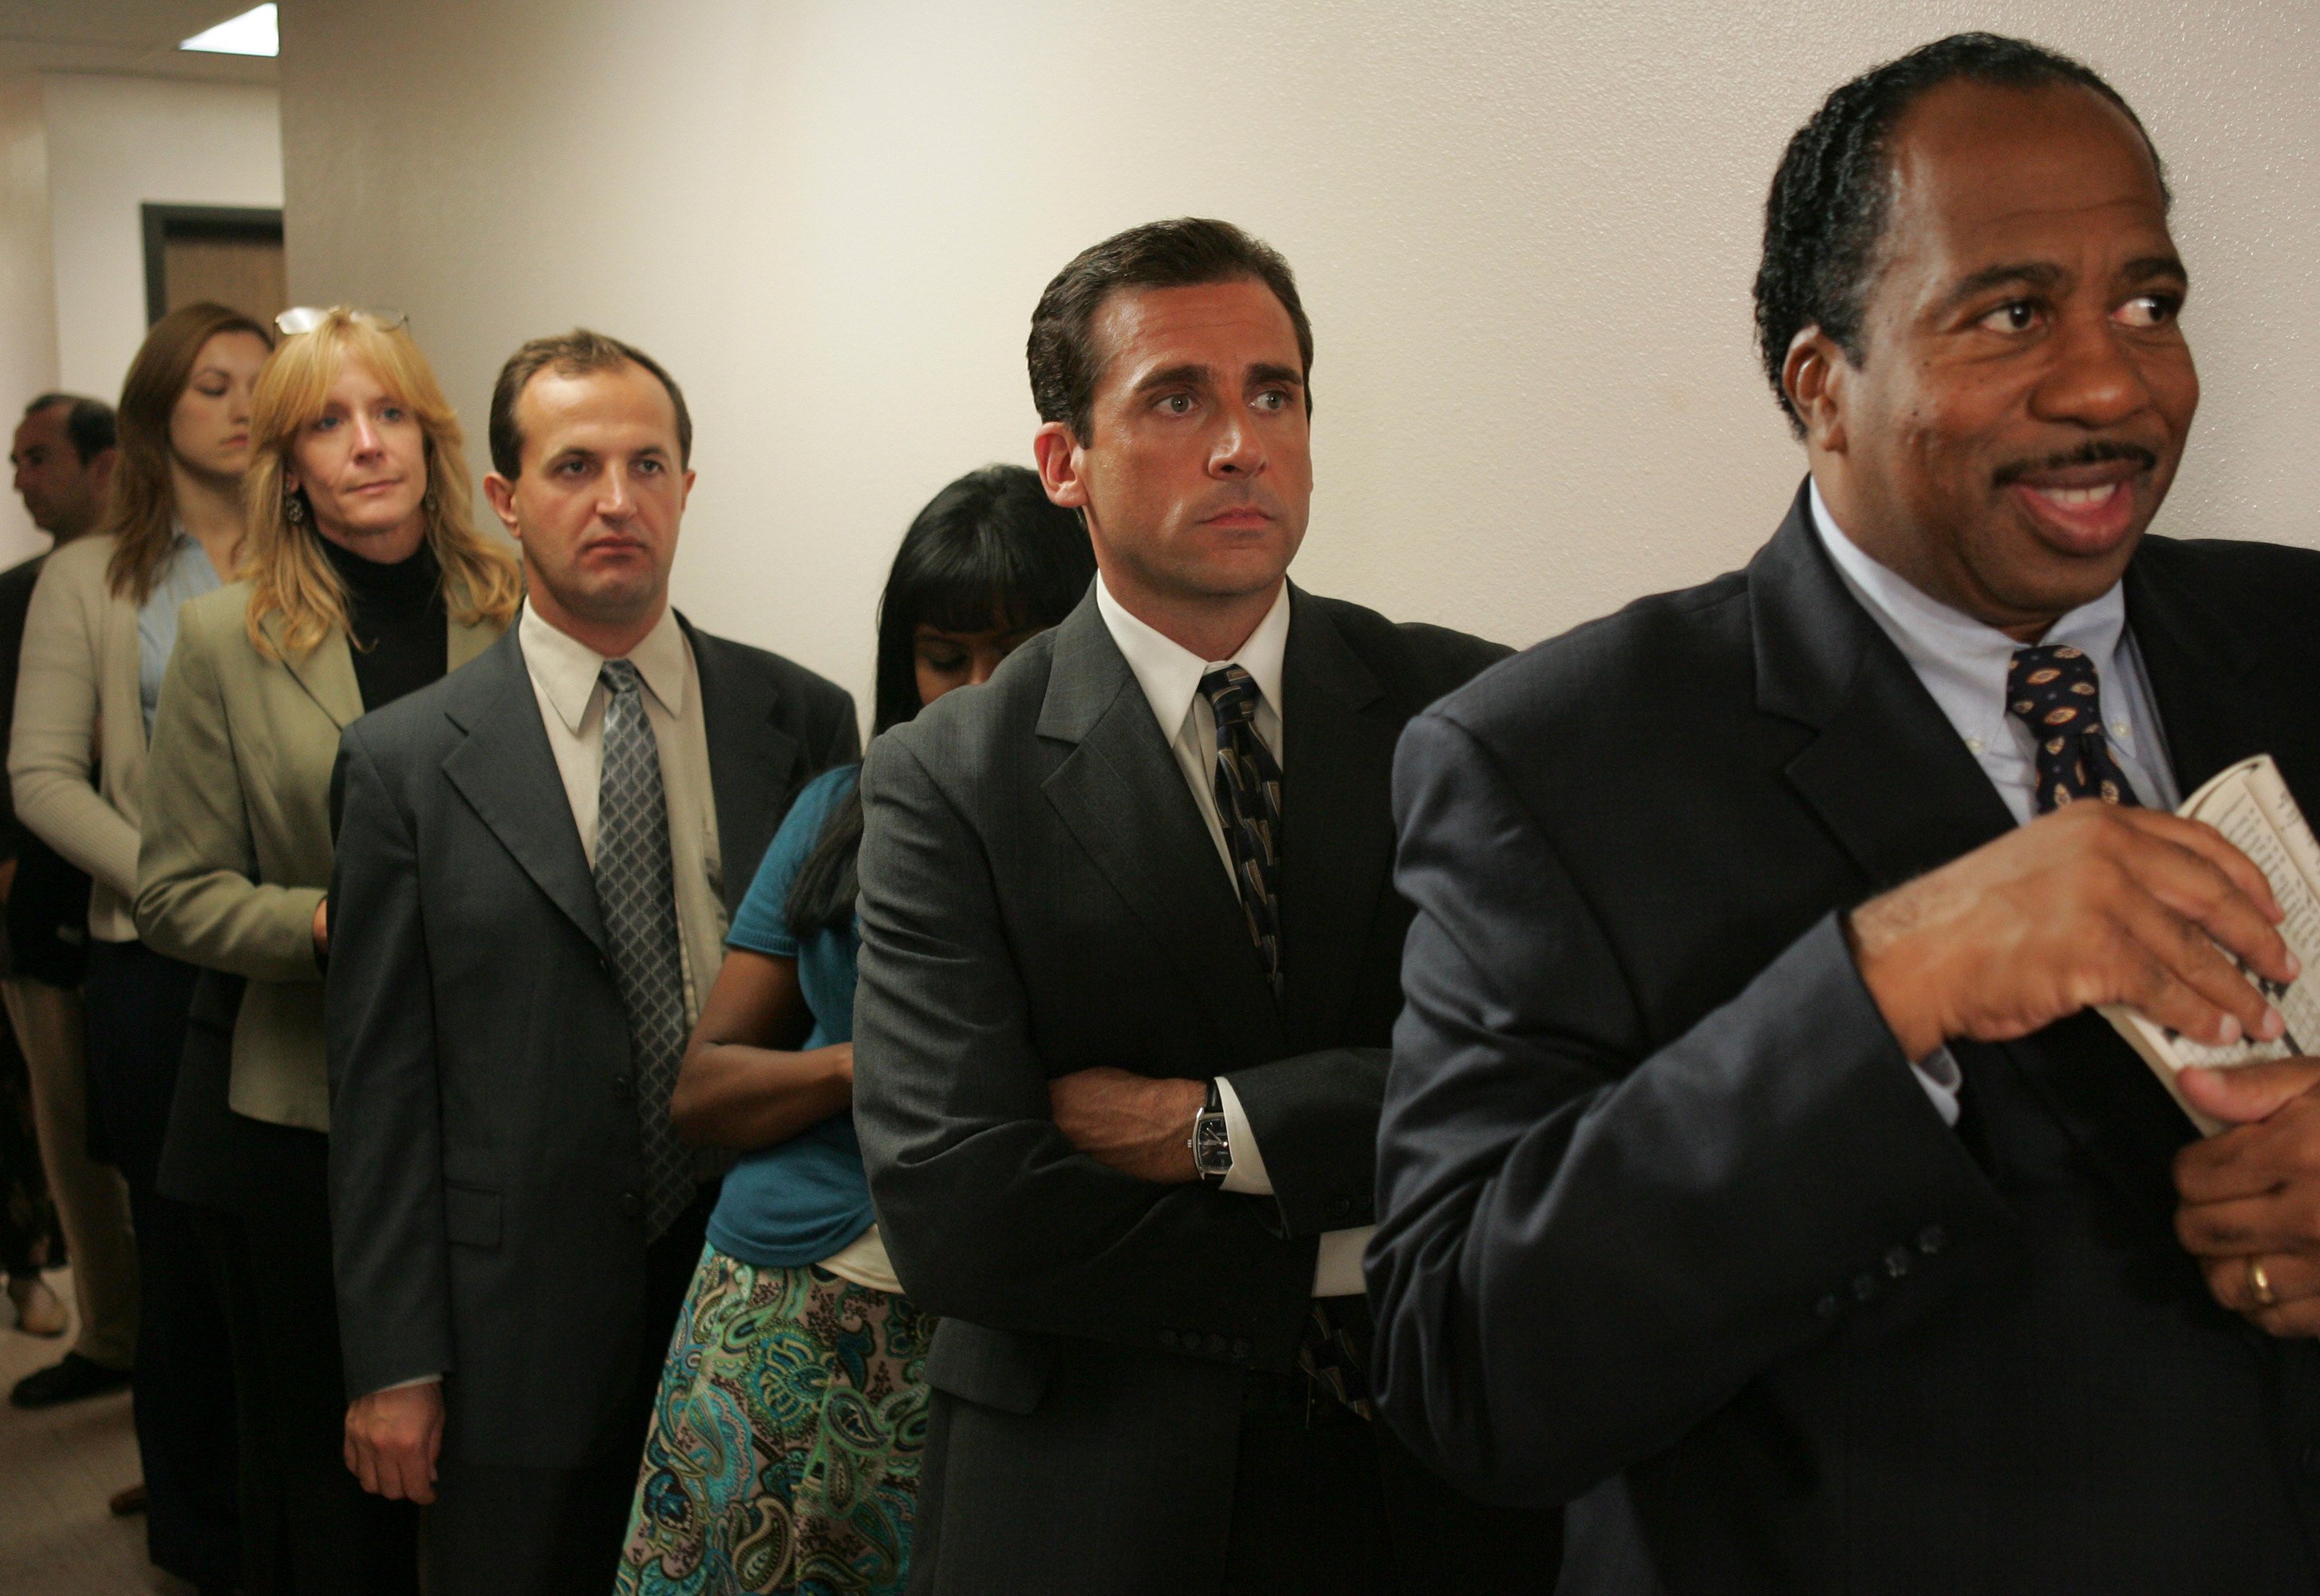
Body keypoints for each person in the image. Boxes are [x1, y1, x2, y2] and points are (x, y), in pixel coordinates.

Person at [1367, 33, 2320, 1596]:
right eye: (2012, 312)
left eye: (2150, 303)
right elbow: (1470, 1374)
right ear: (1820, 384)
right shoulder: (1550, 763)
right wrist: (1892, 977)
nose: (2117, 379)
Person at [847, 219, 1551, 1596]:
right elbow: (962, 1207)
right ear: (1066, 462)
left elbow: (1547, 1079)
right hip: (1098, 1499)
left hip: (1447, 1484)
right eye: (1178, 398)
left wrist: (1209, 1128)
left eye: (1273, 394)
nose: (1241, 442)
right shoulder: (945, 776)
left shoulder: (1474, 711)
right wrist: (1348, 1256)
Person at [326, 328, 860, 1596]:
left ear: (686, 487)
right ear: (505, 500)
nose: (616, 501)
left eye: (648, 464)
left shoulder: (804, 720)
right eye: (574, 467)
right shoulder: (406, 765)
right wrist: (393, 1364)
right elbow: (382, 1091)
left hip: (758, 1284)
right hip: (515, 1326)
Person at [617, 463, 1096, 1595]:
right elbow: (705, 1088)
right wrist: (872, 1064)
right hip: (787, 1297)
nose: (977, 690)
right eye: (944, 656)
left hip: (1015, 1326)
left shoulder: (1129, 826)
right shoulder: (841, 810)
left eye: (1018, 651)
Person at [133, 305, 523, 1594]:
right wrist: (323, 920)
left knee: (501, 1460)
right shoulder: (225, 640)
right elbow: (176, 895)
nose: (367, 445)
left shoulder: (520, 605)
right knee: (330, 1479)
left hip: (498, 1103)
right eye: (327, 424)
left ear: (431, 434)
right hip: (304, 1122)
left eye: (391, 413)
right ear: (287, 462)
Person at [11, 306, 270, 1586]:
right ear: (158, 406)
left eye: (259, 384)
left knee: (302, 1250)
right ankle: (201, 1534)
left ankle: (303, 1515)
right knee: (184, 1258)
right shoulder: (92, 574)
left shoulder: (318, 548)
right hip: (157, 961)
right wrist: (169, 885)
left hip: (300, 947)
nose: (238, 404)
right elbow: (44, 778)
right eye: (210, 384)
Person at [2, 393, 116, 1351]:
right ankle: (106, 1329)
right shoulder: (15, 599)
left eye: (39, 458)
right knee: (65, 1118)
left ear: (105, 464)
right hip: (42, 897)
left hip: (149, 912)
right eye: (16, 461)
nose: (21, 480)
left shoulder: (187, 580)